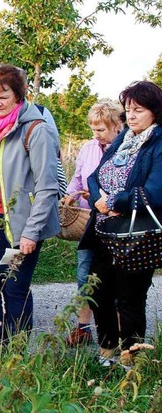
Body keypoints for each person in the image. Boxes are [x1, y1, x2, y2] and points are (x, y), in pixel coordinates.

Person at [0, 64, 60, 349]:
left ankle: (12, 351)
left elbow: (47, 187)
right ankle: (1, 346)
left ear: (19, 95)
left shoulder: (35, 130)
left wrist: (31, 232)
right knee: (1, 282)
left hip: (21, 224)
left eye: (3, 96)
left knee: (15, 286)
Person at [79, 80, 162, 367]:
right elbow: (95, 175)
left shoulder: (158, 142)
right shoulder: (124, 138)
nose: (132, 116)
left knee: (129, 299)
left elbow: (156, 191)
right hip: (105, 230)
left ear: (154, 111)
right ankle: (107, 352)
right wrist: (99, 200)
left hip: (135, 233)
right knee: (98, 291)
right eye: (128, 110)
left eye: (138, 110)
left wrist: (116, 202)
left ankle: (132, 359)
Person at [63, 100, 123, 346]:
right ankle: (83, 327)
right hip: (89, 222)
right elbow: (78, 178)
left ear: (116, 125)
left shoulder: (125, 150)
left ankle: (120, 330)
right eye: (93, 129)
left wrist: (101, 197)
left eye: (101, 129)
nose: (96, 135)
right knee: (84, 274)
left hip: (116, 224)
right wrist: (70, 194)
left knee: (116, 278)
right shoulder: (88, 148)